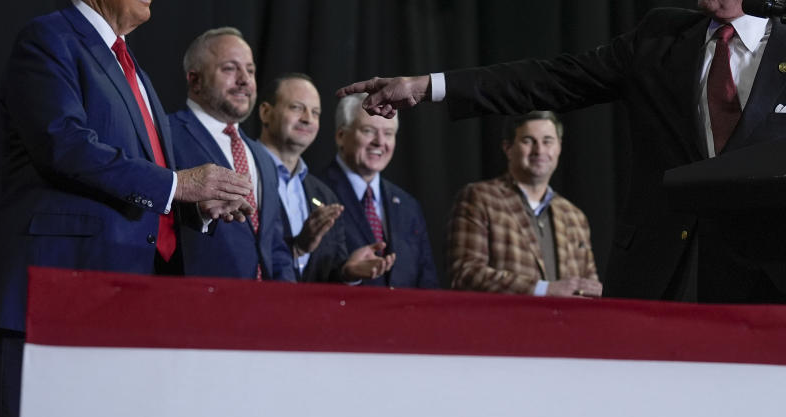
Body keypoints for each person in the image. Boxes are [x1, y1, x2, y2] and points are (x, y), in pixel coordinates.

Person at [338, 0, 786, 303]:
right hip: (663, 279)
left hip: (771, 285)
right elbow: (550, 80)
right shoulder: (661, 39)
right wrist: (427, 85)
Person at [0, 0, 252, 417]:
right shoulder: (50, 39)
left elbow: (151, 179)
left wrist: (195, 204)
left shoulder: (137, 73)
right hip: (55, 288)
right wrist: (179, 184)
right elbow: (63, 143)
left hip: (127, 295)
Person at [168, 28, 298, 281]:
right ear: (195, 80)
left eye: (250, 70)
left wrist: (287, 299)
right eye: (230, 69)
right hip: (198, 305)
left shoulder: (262, 156)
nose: (244, 80)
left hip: (264, 311)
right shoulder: (165, 135)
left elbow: (273, 245)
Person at [257, 74, 395, 282]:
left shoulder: (324, 195)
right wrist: (297, 247)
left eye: (315, 112)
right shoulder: (243, 171)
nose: (307, 119)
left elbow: (326, 276)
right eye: (296, 107)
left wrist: (347, 272)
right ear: (266, 112)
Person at [447, 112, 601, 297]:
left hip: (564, 325)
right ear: (507, 148)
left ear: (559, 147)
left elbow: (591, 287)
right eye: (528, 141)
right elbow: (465, 274)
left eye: (548, 141)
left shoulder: (574, 216)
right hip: (506, 323)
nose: (539, 151)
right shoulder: (480, 198)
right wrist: (544, 290)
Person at [318, 93, 439, 288]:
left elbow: (427, 280)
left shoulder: (408, 205)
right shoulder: (316, 194)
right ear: (341, 136)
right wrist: (346, 274)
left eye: (388, 133)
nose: (380, 142)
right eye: (368, 131)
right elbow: (307, 273)